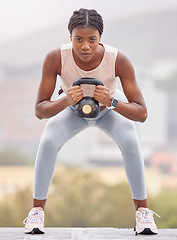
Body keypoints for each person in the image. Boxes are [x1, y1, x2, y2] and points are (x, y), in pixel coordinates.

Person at [23, 8, 159, 235]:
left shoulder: (119, 60)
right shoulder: (55, 58)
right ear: (70, 38)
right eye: (79, 39)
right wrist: (66, 100)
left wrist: (112, 101)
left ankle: (143, 214)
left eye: (92, 40)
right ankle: (36, 212)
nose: (85, 46)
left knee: (130, 141)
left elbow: (142, 113)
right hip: (72, 111)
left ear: (100, 38)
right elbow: (40, 110)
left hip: (108, 111)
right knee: (47, 141)